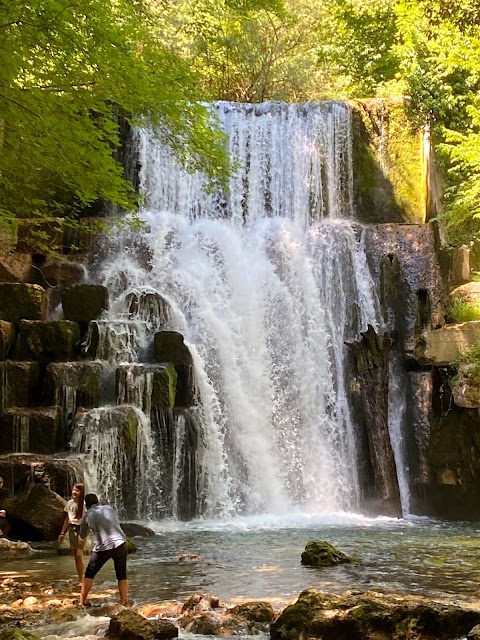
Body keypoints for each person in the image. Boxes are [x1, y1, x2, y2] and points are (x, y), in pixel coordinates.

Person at [78, 494, 128, 607]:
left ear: (86, 505)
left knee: (89, 574)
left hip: (103, 547)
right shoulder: (109, 508)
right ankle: (124, 602)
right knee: (122, 574)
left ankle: (82, 603)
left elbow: (82, 536)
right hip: (120, 543)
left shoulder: (87, 515)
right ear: (98, 502)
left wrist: (80, 544)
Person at [58, 483, 86, 582]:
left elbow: (86, 521)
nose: (74, 492)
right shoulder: (69, 503)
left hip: (81, 529)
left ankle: (82, 578)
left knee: (79, 555)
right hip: (71, 529)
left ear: (81, 493)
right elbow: (67, 519)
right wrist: (62, 533)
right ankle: (80, 577)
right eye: (73, 490)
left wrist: (82, 536)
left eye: (77, 491)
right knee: (75, 556)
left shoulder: (84, 505)